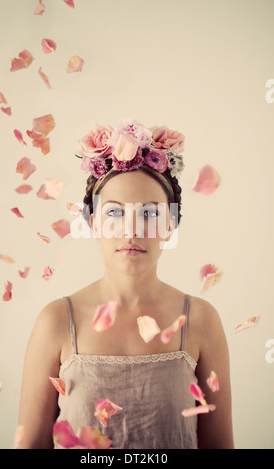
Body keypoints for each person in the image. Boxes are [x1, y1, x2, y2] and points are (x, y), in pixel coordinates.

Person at [17, 119, 234, 449]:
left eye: (149, 214)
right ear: (93, 223)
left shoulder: (202, 320)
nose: (131, 230)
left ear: (171, 224)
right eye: (115, 213)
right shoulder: (56, 321)